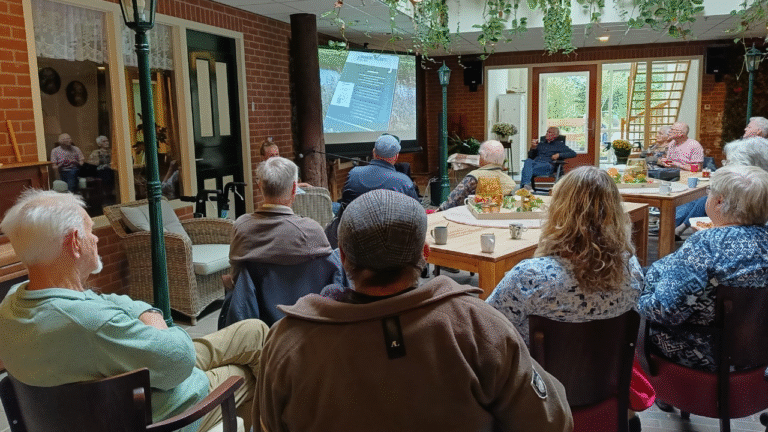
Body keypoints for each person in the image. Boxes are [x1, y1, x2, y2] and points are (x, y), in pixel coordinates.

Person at [256, 189, 573, 432]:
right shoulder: (481, 327)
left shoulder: (286, 343)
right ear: (426, 253)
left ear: (343, 257)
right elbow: (552, 421)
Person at [0, 190, 269, 432]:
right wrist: (154, 318)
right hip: (165, 411)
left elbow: (109, 301)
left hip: (125, 381)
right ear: (74, 243)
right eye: (90, 231)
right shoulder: (91, 324)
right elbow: (179, 361)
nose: (95, 238)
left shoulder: (13, 302)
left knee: (254, 330)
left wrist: (144, 314)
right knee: (243, 373)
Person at [486, 166, 652, 432]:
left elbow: (487, 329)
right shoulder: (630, 268)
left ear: (558, 211)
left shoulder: (530, 276)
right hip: (606, 388)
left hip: (540, 397)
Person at [639, 165, 768, 373]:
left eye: (710, 192)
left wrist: (638, 296)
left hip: (706, 353)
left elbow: (665, 311)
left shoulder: (706, 244)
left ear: (719, 201)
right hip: (759, 352)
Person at [223, 156, 342, 326]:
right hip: (308, 319)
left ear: (259, 187)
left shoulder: (241, 227)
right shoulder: (311, 231)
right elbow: (328, 277)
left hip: (259, 322)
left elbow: (236, 278)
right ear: (295, 188)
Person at [325, 133, 419, 247]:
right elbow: (417, 216)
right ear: (396, 157)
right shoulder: (404, 182)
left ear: (374, 152)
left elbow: (346, 206)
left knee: (334, 206)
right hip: (389, 242)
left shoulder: (353, 174)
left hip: (353, 240)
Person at [673, 136, 768, 237]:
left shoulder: (747, 188)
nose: (725, 166)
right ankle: (678, 226)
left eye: (728, 162)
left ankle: (677, 226)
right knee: (700, 198)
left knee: (703, 197)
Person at [438, 139, 516, 211]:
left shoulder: (474, 177)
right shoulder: (510, 181)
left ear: (483, 157)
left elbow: (451, 203)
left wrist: (437, 211)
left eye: (480, 155)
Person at [520, 127, 577, 191]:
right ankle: (526, 186)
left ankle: (524, 189)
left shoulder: (560, 145)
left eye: (549, 132)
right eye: (547, 132)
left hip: (547, 166)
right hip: (535, 166)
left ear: (555, 135)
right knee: (528, 161)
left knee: (525, 170)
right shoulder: (540, 144)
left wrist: (559, 155)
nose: (547, 133)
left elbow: (573, 153)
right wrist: (533, 148)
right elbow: (530, 156)